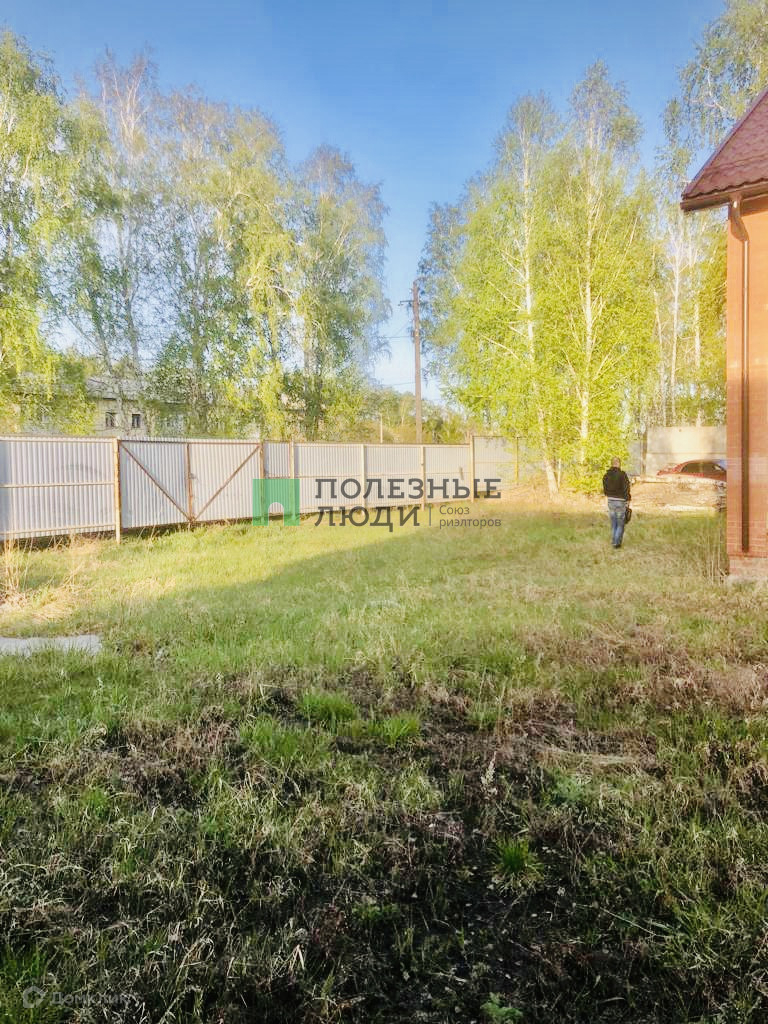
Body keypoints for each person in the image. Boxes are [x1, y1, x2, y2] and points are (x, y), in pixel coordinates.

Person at [602, 457, 631, 549]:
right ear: (619, 463)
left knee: (613, 522)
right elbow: (626, 488)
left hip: (610, 500)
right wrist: (628, 500)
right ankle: (616, 543)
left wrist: (609, 495)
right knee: (620, 523)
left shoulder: (606, 475)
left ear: (612, 464)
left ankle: (614, 541)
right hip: (621, 501)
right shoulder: (622, 475)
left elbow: (605, 489)